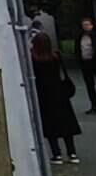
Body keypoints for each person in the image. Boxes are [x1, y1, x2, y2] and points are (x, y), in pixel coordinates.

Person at [33, 24, 82, 164]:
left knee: (50, 126)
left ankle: (57, 154)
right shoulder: (56, 57)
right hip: (59, 91)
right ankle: (72, 153)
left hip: (43, 93)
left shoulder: (35, 60)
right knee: (66, 124)